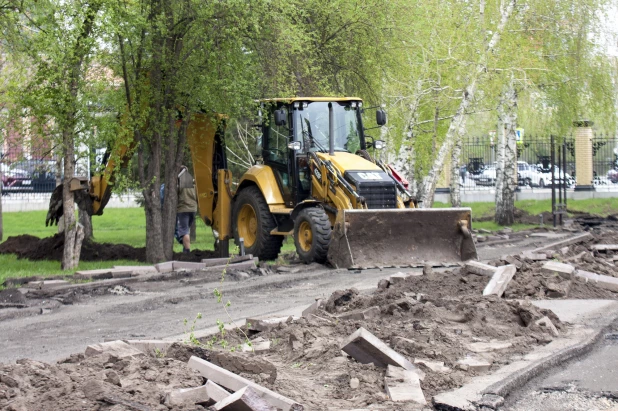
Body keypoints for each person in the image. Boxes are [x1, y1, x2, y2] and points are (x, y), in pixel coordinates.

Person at [176, 166, 197, 253]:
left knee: (184, 230)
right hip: (193, 209)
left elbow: (175, 193)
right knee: (186, 228)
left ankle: (187, 251)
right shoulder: (193, 183)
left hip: (183, 209)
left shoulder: (180, 183)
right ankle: (185, 247)